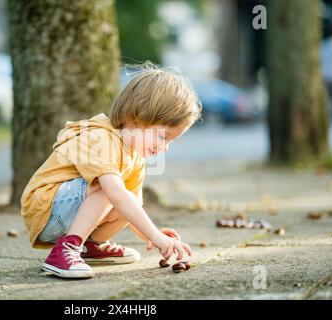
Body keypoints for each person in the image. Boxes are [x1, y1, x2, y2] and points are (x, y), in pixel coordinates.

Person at [21, 64, 202, 278]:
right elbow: (115, 195)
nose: (165, 147)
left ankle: (90, 247)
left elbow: (130, 205)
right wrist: (154, 236)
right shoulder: (100, 137)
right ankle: (64, 252)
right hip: (45, 209)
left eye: (171, 141)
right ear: (137, 116)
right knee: (111, 190)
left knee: (127, 197)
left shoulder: (135, 157)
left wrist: (151, 235)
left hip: (67, 212)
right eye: (163, 136)